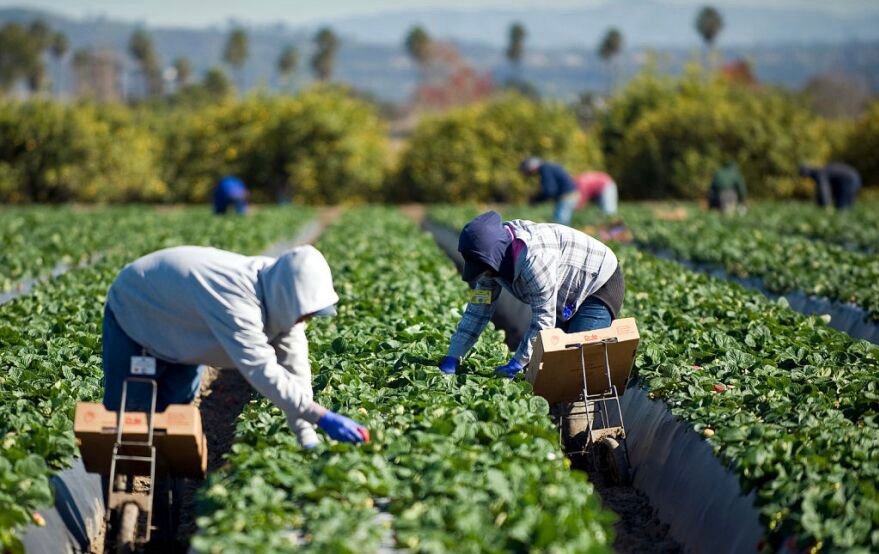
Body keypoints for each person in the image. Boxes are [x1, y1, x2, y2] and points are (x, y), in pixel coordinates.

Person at [102, 244, 368, 447]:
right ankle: (116, 495)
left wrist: (307, 436)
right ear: (289, 298)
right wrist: (321, 417)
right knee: (124, 424)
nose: (307, 319)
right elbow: (262, 371)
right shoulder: (237, 300)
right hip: (136, 315)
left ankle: (163, 500)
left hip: (184, 335)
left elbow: (295, 374)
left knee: (175, 426)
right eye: (306, 312)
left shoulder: (281, 301)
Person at [437, 211, 625, 378]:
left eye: (485, 269)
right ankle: (555, 413)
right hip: (563, 289)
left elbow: (543, 321)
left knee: (576, 367)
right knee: (551, 366)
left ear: (497, 257)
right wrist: (454, 355)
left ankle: (577, 416)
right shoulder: (489, 263)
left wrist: (517, 363)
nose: (484, 274)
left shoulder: (535, 262)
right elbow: (477, 310)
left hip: (598, 282)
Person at [520, 157, 581, 226]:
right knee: (560, 222)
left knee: (560, 224)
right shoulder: (549, 166)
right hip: (571, 194)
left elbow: (549, 191)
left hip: (567, 196)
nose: (531, 174)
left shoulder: (545, 169)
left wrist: (536, 199)